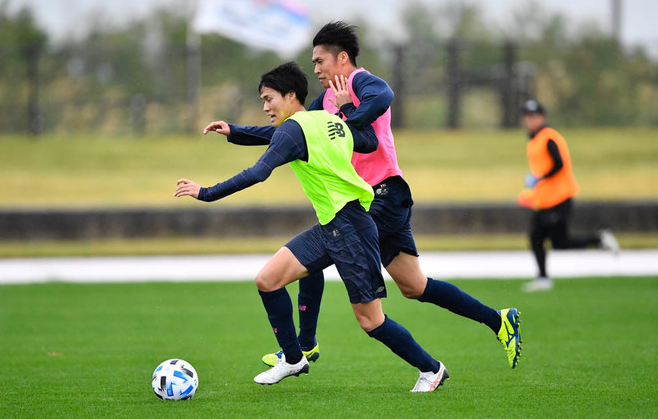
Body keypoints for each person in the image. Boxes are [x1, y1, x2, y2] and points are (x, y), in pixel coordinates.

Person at [204, 21, 522, 370]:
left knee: (314, 252)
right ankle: (498, 320)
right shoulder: (325, 100)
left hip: (381, 194)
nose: (316, 70)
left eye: (320, 61)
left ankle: (305, 348)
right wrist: (236, 131)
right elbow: (289, 133)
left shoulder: (357, 81)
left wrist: (346, 114)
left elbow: (384, 95)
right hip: (371, 200)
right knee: (414, 286)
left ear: (342, 58)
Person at [176, 61, 449, 392]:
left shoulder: (294, 129)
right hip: (332, 226)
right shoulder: (327, 120)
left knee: (370, 321)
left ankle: (431, 369)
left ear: (291, 96)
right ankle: (294, 358)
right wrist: (348, 106)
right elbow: (367, 140)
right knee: (268, 280)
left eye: (269, 99)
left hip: (352, 228)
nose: (265, 107)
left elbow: (259, 172)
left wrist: (204, 193)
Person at [517, 99, 619, 292]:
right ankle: (543, 279)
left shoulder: (548, 137)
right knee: (539, 238)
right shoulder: (535, 139)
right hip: (545, 199)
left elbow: (558, 164)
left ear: (542, 117)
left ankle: (599, 239)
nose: (528, 121)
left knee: (558, 241)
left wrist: (538, 178)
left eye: (532, 116)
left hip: (559, 198)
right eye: (526, 117)